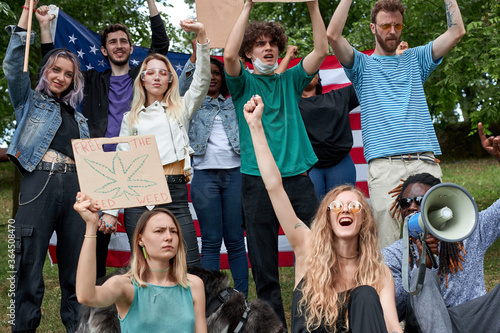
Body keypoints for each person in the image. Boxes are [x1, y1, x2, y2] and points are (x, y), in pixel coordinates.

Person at [244, 95, 402, 333]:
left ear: (364, 219)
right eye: (337, 206)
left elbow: (391, 326)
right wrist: (255, 126)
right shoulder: (308, 246)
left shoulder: (378, 272)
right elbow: (274, 187)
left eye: (354, 206)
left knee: (366, 294)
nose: (346, 209)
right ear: (327, 217)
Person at [37, 0, 170, 277]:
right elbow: (51, 67)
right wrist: (45, 27)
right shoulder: (91, 80)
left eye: (124, 41)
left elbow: (161, 43)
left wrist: (150, 3)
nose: (119, 45)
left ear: (132, 49)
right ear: (104, 50)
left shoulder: (141, 79)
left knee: (145, 234)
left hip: (137, 162)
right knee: (96, 237)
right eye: (112, 42)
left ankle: (145, 293)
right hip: (98, 164)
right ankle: (95, 300)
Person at [327, 0, 466, 248]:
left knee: (437, 238)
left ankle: (434, 288)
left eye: (397, 24)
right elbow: (333, 35)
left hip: (424, 161)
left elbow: (457, 32)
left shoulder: (416, 58)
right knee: (388, 247)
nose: (392, 31)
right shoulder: (361, 65)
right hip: (384, 166)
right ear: (373, 28)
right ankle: (390, 289)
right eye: (385, 25)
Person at [223, 0, 328, 325]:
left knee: (317, 253)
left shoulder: (291, 80)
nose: (268, 48)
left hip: (298, 179)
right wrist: (247, 7)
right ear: (249, 53)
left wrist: (313, 6)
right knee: (264, 264)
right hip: (256, 182)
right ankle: (273, 327)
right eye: (260, 44)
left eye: (272, 44)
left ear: (280, 48)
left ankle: (316, 319)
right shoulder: (242, 84)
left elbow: (322, 49)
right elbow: (227, 56)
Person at [4, 3, 89, 332]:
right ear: (45, 72)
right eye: (56, 70)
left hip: (75, 190)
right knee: (27, 267)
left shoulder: (79, 118)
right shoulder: (30, 101)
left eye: (68, 74)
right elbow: (14, 64)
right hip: (38, 184)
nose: (61, 77)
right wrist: (28, 14)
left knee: (75, 273)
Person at [104, 20, 209, 267]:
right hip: (140, 197)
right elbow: (122, 163)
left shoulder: (181, 108)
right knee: (144, 268)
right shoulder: (130, 118)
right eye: (150, 72)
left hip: (175, 193)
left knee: (190, 264)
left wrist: (202, 36)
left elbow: (202, 79)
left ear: (171, 79)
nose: (157, 77)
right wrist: (111, 210)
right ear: (142, 79)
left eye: (164, 72)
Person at [382, 173, 500, 332]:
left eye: (420, 201)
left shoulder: (469, 231)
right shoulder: (394, 255)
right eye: (405, 203)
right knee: (423, 278)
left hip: (471, 321)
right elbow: (395, 308)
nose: (411, 207)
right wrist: (422, 266)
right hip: (422, 326)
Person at [74, 193, 206, 333]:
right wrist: (91, 226)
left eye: (173, 231)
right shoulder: (125, 286)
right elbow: (85, 295)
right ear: (140, 239)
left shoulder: (194, 285)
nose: (168, 237)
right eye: (159, 231)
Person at [179, 49, 249, 295]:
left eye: (218, 73)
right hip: (204, 176)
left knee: (236, 242)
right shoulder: (192, 101)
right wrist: (197, 57)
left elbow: (245, 76)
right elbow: (183, 84)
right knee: (210, 241)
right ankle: (209, 300)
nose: (214, 77)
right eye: (208, 73)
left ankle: (241, 299)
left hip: (235, 175)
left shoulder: (235, 100)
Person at [299, 73, 359, 199]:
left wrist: (394, 56)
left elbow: (368, 82)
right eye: (304, 69)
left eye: (312, 70)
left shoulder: (339, 97)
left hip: (341, 164)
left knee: (343, 208)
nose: (308, 72)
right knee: (313, 215)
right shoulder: (288, 105)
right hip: (309, 167)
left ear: (319, 79)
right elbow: (269, 90)